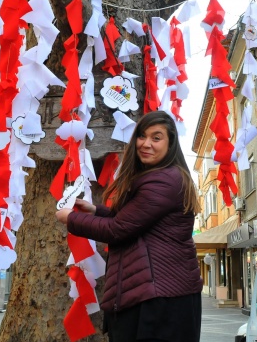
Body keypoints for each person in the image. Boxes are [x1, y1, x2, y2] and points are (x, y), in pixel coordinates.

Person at [55, 111, 203, 342]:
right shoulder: (160, 176)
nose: (146, 144)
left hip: (158, 300)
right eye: (142, 136)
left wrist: (70, 219)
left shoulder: (164, 181)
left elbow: (117, 229)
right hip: (153, 293)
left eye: (156, 138)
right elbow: (137, 219)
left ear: (171, 143)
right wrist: (96, 210)